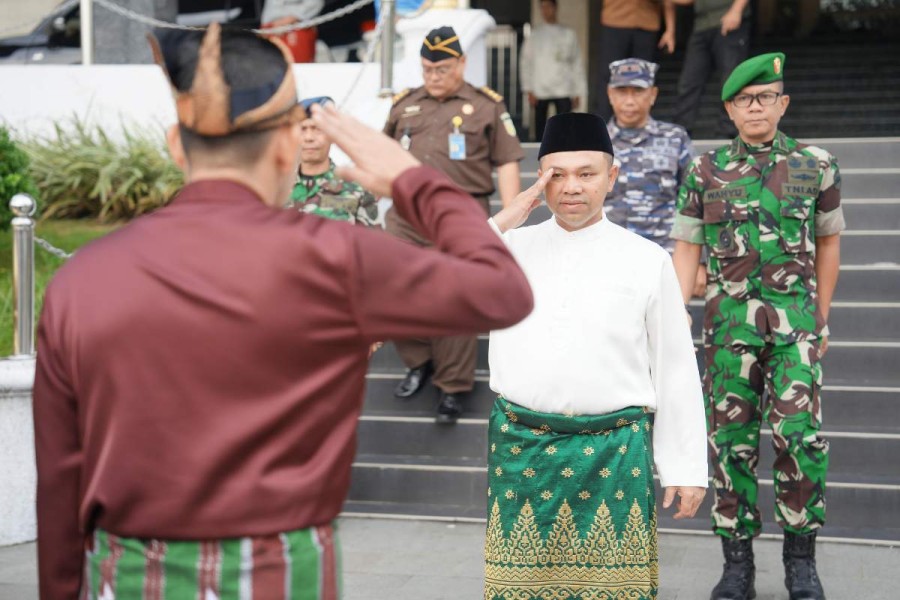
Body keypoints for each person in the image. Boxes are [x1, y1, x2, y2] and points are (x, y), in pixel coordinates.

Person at [32, 24, 534, 600]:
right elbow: (502, 290)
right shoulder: (334, 259)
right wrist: (411, 179)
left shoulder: (82, 280)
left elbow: (60, 479)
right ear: (284, 146)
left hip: (127, 575)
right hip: (277, 573)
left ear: (176, 144)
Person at [483, 112, 708, 600]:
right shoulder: (504, 250)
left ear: (612, 176)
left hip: (613, 454)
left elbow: (674, 367)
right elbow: (435, 276)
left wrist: (686, 467)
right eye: (556, 174)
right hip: (522, 449)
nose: (571, 188)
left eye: (586, 173)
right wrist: (502, 221)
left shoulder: (647, 259)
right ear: (539, 180)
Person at [670, 53, 842, 600]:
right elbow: (686, 250)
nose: (756, 107)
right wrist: (676, 320)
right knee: (730, 444)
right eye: (745, 100)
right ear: (729, 109)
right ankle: (736, 562)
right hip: (728, 332)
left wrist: (821, 316)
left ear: (782, 103)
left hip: (795, 327)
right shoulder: (704, 170)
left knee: (800, 438)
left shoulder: (818, 165)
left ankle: (801, 561)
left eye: (766, 97)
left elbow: (830, 241)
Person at [383, 26, 525, 423]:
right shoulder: (404, 105)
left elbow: (509, 163)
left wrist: (509, 224)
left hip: (460, 216)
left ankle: (452, 387)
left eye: (442, 68)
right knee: (390, 285)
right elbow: (383, 153)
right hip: (407, 216)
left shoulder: (486, 106)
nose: (433, 76)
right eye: (427, 68)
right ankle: (419, 359)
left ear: (462, 63)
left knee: (454, 300)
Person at [288, 96, 380, 227]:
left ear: (331, 135)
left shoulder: (357, 190)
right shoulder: (276, 190)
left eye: (317, 129)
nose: (309, 138)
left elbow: (372, 244)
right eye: (302, 129)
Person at [670, 0, 751, 138]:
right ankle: (681, 130)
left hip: (728, 18)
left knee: (731, 81)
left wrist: (736, 10)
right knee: (689, 80)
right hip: (701, 24)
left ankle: (727, 133)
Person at [595, 0, 676, 120]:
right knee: (609, 75)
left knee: (645, 76)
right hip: (615, 19)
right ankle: (603, 126)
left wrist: (670, 31)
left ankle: (643, 124)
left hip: (647, 23)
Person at [520, 0, 587, 140]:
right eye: (542, 7)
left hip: (564, 88)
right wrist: (528, 89)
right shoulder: (534, 35)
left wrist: (578, 91)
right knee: (540, 129)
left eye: (548, 7)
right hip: (540, 88)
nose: (545, 11)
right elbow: (526, 62)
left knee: (565, 125)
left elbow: (576, 63)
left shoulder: (568, 34)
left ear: (555, 8)